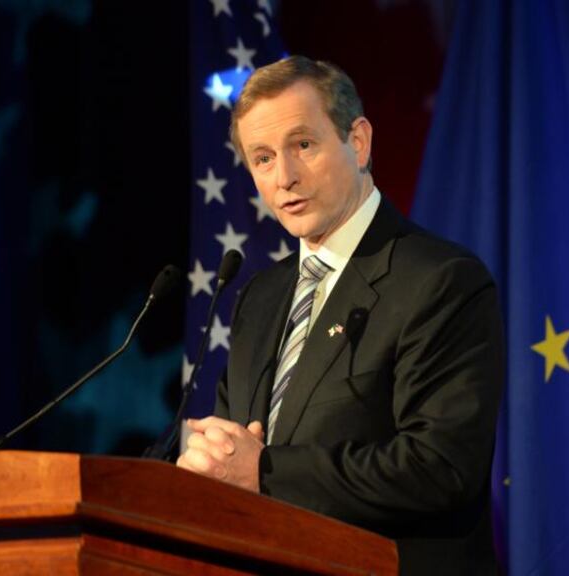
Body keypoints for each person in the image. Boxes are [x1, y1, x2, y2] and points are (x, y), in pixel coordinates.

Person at [177, 55, 504, 575]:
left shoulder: (440, 280)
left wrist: (262, 470)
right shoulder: (259, 298)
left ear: (358, 141)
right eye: (262, 158)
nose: (283, 177)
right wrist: (209, 459)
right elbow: (237, 447)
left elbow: (438, 467)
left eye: (302, 145)